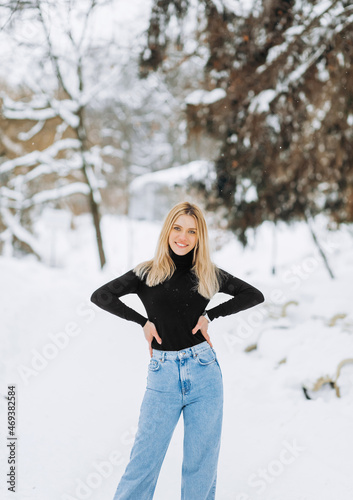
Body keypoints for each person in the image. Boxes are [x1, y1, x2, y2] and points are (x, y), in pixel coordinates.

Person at [90, 201, 264, 500]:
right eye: (178, 228)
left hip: (204, 373)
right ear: (168, 230)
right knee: (144, 462)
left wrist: (211, 315)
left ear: (200, 237)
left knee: (201, 466)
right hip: (163, 376)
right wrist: (142, 322)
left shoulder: (208, 273)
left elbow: (253, 295)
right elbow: (101, 296)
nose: (183, 237)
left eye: (192, 231)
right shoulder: (147, 272)